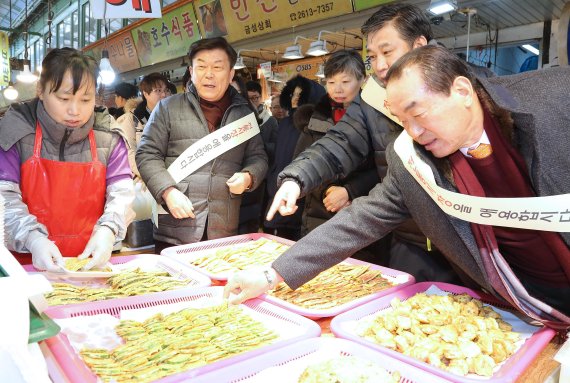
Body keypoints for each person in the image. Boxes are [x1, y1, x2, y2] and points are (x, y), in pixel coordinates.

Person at [225, 45, 570, 329]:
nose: (414, 132)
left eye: (417, 113)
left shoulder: (553, 99)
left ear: (462, 91)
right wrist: (271, 275)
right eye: (402, 120)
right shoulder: (412, 162)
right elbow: (359, 220)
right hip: (525, 298)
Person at [264, 3, 464, 283]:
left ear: (419, 45)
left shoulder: (462, 86)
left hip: (468, 239)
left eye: (387, 52)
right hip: (408, 242)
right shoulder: (372, 98)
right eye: (372, 56)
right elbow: (339, 142)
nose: (380, 66)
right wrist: (296, 179)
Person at [0, 47, 135, 271]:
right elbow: (4, 198)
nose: (75, 110)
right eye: (64, 98)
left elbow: (121, 195)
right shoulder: (15, 132)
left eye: (85, 99)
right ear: (40, 90)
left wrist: (108, 231)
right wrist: (33, 239)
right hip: (23, 263)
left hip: (90, 263)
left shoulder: (109, 136)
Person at [136, 37, 268, 253]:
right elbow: (147, 154)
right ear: (191, 70)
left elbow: (258, 158)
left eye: (217, 67)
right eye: (202, 66)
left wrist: (249, 176)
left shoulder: (244, 114)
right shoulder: (168, 108)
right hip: (175, 226)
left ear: (231, 73)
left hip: (223, 226)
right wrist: (168, 192)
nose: (209, 74)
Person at [292, 50, 379, 240]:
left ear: (363, 80)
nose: (337, 89)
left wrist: (350, 191)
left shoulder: (377, 119)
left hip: (363, 216)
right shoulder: (313, 119)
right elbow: (301, 162)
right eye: (331, 82)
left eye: (345, 82)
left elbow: (382, 168)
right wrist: (327, 191)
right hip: (319, 214)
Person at [262, 74, 326, 241]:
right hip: (281, 185)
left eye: (300, 94)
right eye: (292, 94)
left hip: (306, 193)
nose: (295, 99)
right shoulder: (284, 123)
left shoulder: (316, 124)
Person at [115, 72, 170, 180]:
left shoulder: (174, 115)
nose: (164, 95)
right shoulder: (131, 120)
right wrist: (153, 177)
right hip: (147, 179)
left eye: (166, 90)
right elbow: (130, 153)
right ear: (145, 93)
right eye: (158, 91)